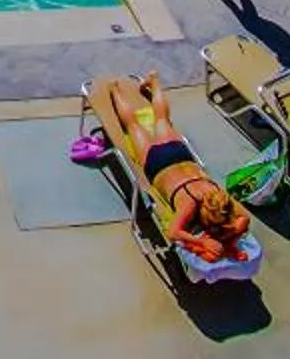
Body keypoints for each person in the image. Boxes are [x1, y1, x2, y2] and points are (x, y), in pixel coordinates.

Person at [95, 73, 252, 266]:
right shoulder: (191, 203)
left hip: (180, 154)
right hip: (157, 163)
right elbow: (173, 233)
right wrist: (202, 241)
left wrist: (233, 232)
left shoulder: (219, 196)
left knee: (162, 119)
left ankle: (150, 82)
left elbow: (245, 218)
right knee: (133, 125)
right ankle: (115, 90)